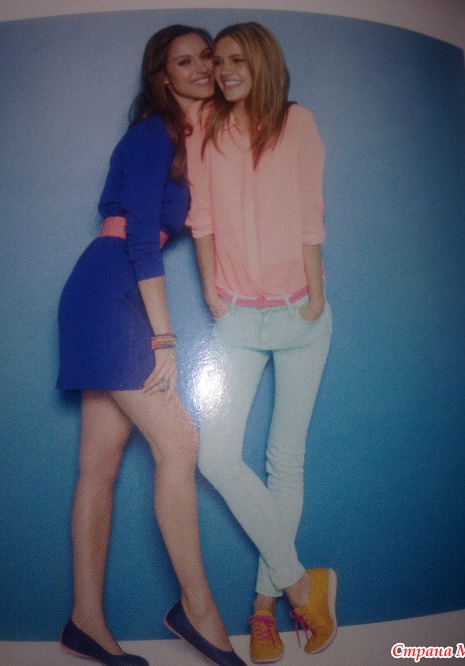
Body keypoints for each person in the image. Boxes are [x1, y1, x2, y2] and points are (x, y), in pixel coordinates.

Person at [57, 25, 246, 666]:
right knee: (180, 444)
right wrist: (165, 338)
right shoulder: (151, 136)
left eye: (206, 58)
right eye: (183, 62)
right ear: (163, 78)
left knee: (100, 467)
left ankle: (85, 623)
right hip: (109, 291)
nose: (200, 69)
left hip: (116, 291)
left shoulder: (194, 143)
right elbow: (141, 238)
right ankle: (198, 610)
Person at [186, 22, 337, 665]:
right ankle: (304, 585)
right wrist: (212, 293)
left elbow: (310, 215)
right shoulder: (205, 126)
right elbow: (202, 220)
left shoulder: (297, 123)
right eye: (217, 61)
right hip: (239, 319)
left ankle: (263, 608)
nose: (223, 71)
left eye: (236, 60)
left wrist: (315, 295)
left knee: (284, 460)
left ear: (263, 62)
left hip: (300, 314)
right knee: (216, 457)